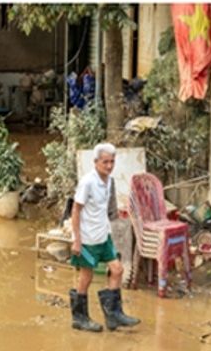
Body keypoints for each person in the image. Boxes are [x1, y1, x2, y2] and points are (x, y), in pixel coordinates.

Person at [69, 143, 140, 333]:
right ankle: (80, 317)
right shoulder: (87, 182)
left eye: (112, 162)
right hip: (87, 238)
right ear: (96, 162)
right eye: (105, 162)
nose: (109, 166)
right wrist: (76, 239)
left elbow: (106, 209)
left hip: (103, 235)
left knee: (117, 270)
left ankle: (113, 314)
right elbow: (75, 209)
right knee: (86, 276)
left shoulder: (109, 181)